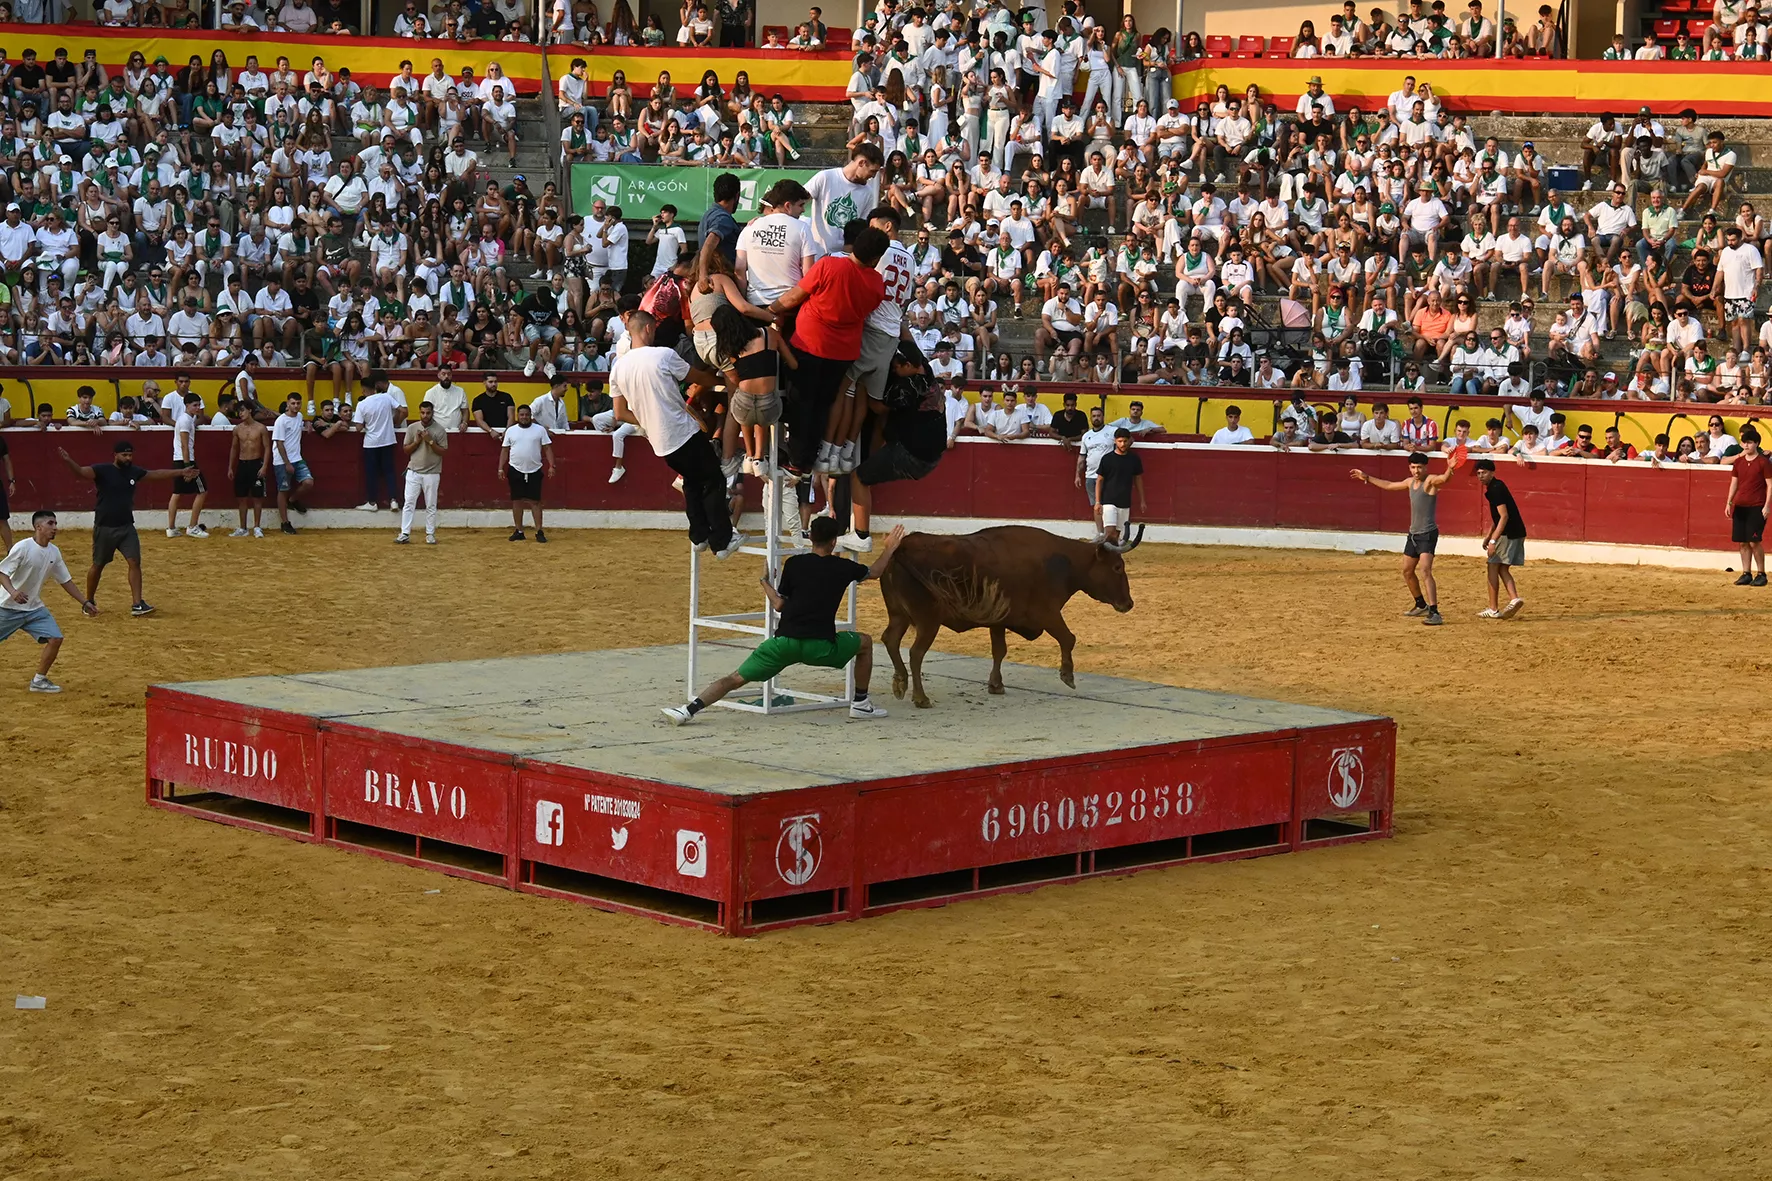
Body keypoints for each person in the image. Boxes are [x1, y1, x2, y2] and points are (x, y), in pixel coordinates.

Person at [662, 520, 905, 725]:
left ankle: (688, 711)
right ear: (834, 542)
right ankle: (861, 702)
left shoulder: (794, 564)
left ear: (811, 539)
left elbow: (779, 604)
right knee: (865, 643)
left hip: (784, 644)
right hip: (821, 647)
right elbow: (875, 572)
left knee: (734, 679)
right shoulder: (843, 567)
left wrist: (764, 582)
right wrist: (890, 548)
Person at [610, 309, 742, 558]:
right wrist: (725, 378)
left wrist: (650, 421)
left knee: (692, 482)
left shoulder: (619, 367)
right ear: (648, 329)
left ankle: (699, 535)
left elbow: (620, 413)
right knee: (713, 479)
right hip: (682, 431)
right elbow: (696, 376)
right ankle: (721, 540)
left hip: (660, 441)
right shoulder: (662, 355)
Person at [59, 441, 184, 616]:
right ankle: (89, 601)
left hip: (126, 526)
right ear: (115, 455)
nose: (128, 458)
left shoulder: (134, 472)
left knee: (134, 562)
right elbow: (80, 472)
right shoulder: (102, 470)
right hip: (105, 527)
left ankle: (137, 604)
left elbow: (156, 474)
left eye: (130, 455)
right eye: (124, 455)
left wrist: (181, 472)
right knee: (98, 565)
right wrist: (68, 461)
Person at [1349, 450, 1452, 626]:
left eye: (1419, 467)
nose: (1416, 471)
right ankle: (1421, 604)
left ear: (1426, 467)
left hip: (1427, 534)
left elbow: (1443, 479)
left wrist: (1450, 467)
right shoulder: (1409, 482)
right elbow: (1389, 485)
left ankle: (1435, 612)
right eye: (1413, 467)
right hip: (1413, 534)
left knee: (1425, 570)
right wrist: (1367, 477)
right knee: (1407, 571)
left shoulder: (1430, 481)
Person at [0, 510, 98, 693]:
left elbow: (65, 580)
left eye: (55, 524)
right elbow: (2, 572)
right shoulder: (23, 547)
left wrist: (84, 602)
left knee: (55, 638)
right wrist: (13, 592)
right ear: (38, 527)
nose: (55, 528)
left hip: (33, 608)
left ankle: (39, 680)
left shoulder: (54, 552)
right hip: (7, 608)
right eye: (50, 524)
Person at [1473, 459, 1526, 619]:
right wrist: (1489, 535)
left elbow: (1503, 517)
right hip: (1516, 531)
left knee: (1492, 566)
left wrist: (1493, 541)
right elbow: (1499, 517)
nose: (1481, 476)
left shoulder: (1495, 490)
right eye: (1479, 473)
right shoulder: (1497, 486)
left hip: (1508, 533)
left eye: (1484, 473)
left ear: (1492, 472)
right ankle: (1513, 598)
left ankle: (1493, 608)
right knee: (1502, 568)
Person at [499, 403, 554, 542]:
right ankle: (519, 530)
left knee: (535, 502)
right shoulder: (511, 431)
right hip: (515, 468)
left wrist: (552, 466)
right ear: (518, 416)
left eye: (527, 415)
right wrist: (500, 467)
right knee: (517, 501)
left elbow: (547, 448)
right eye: (522, 415)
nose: (524, 417)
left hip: (534, 469)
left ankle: (539, 531)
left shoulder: (540, 430)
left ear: (531, 416)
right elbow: (504, 450)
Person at [1726, 423, 1772, 586]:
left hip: (1757, 506)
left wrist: (1767, 506)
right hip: (1740, 506)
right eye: (1745, 442)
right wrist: (1729, 501)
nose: (1747, 445)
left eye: (1750, 442)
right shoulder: (1738, 463)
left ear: (1757, 444)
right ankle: (1746, 573)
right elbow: (1734, 483)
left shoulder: (1763, 462)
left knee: (1754, 541)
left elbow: (1770, 484)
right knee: (1742, 541)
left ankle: (1761, 573)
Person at [398, 400, 448, 545]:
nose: (425, 415)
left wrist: (430, 441)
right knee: (409, 503)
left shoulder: (439, 430)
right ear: (419, 412)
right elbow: (406, 450)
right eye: (423, 412)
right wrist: (418, 441)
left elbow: (443, 451)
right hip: (413, 471)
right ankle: (405, 533)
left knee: (431, 505)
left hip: (432, 472)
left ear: (432, 413)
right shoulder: (413, 428)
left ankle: (430, 534)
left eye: (428, 413)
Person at [354, 373, 406, 511]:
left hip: (371, 443)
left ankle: (372, 502)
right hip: (388, 440)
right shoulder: (386, 397)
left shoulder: (362, 404)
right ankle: (393, 500)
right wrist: (395, 423)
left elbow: (358, 428)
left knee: (372, 473)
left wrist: (367, 424)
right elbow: (403, 410)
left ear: (364, 390)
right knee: (389, 471)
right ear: (375, 387)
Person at [1094, 428, 1146, 546]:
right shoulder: (1107, 459)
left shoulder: (1134, 459)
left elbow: (1138, 479)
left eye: (1125, 441)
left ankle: (1111, 559)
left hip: (1124, 501)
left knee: (1117, 535)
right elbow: (1099, 480)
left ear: (1129, 441)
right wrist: (1098, 501)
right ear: (1115, 441)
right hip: (1108, 500)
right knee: (1109, 532)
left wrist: (1142, 500)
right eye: (1120, 441)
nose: (1122, 444)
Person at [167, 392, 208, 537]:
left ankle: (171, 528)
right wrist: (188, 467)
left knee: (177, 493)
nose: (197, 408)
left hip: (179, 460)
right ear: (187, 405)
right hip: (186, 461)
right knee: (202, 491)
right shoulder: (185, 420)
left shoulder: (186, 419)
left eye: (198, 405)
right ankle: (192, 526)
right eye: (194, 405)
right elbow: (185, 445)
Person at [271, 394, 314, 535]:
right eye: (293, 403)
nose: (296, 406)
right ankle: (285, 522)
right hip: (282, 461)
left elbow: (301, 422)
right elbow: (279, 443)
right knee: (283, 490)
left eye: (298, 403)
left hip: (297, 458)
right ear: (287, 404)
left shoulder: (299, 416)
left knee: (308, 482)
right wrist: (287, 463)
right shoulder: (281, 421)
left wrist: (307, 423)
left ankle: (293, 499)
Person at [227, 404, 271, 537]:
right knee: (241, 497)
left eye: (242, 410)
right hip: (242, 464)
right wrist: (230, 466)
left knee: (257, 497)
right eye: (238, 412)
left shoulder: (261, 428)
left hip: (256, 463)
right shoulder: (237, 429)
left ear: (250, 410)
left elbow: (267, 448)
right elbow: (234, 448)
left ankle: (257, 526)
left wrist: (264, 466)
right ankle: (243, 527)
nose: (240, 414)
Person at [1075, 405, 1114, 539]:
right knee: (1097, 505)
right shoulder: (1087, 436)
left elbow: (1127, 440)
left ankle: (1111, 534)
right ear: (1091, 418)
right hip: (1091, 475)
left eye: (1098, 416)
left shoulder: (1112, 431)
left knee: (1110, 506)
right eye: (1094, 416)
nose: (1096, 418)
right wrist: (1077, 475)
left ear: (1103, 417)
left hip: (1110, 476)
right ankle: (1100, 533)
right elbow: (1082, 457)